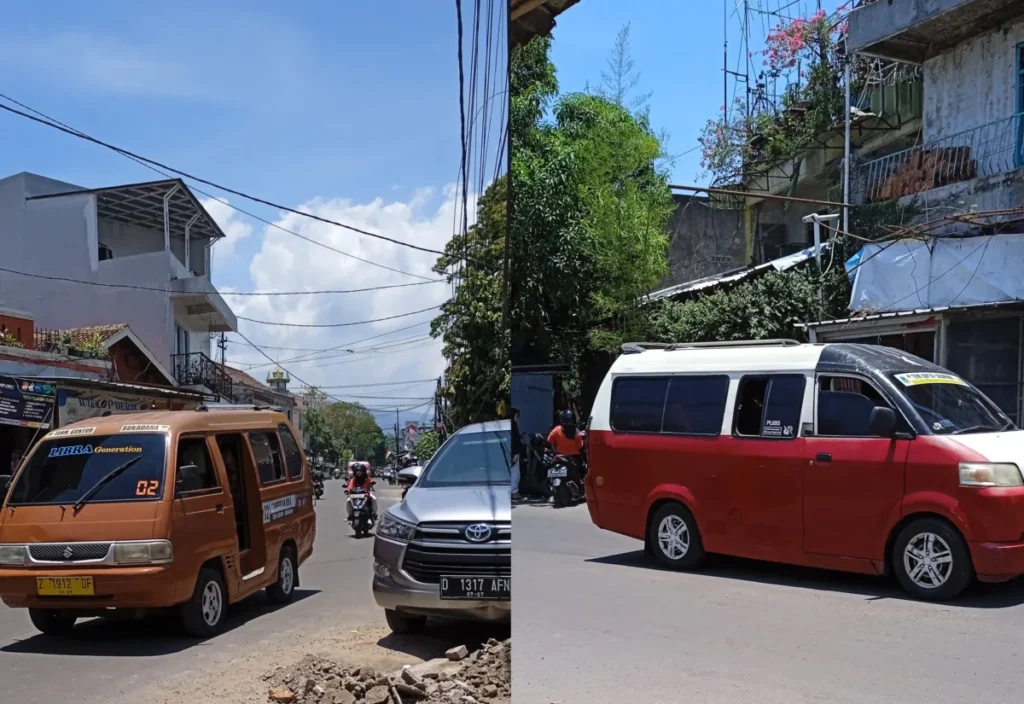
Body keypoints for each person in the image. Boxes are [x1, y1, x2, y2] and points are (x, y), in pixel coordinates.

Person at [510, 408, 522, 500]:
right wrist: (515, 453)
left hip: (510, 452)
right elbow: (515, 441)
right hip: (513, 453)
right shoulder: (513, 427)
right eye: (517, 416)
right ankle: (514, 492)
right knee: (515, 473)